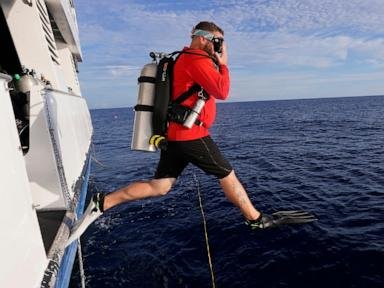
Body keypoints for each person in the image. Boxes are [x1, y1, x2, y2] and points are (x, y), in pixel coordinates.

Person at [67, 21, 316, 245]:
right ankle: (255, 219)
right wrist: (224, 66)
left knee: (161, 186)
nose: (219, 48)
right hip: (190, 135)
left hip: (175, 135)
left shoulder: (183, 59)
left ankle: (103, 202)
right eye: (217, 42)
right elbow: (221, 90)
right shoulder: (196, 59)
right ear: (203, 38)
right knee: (227, 174)